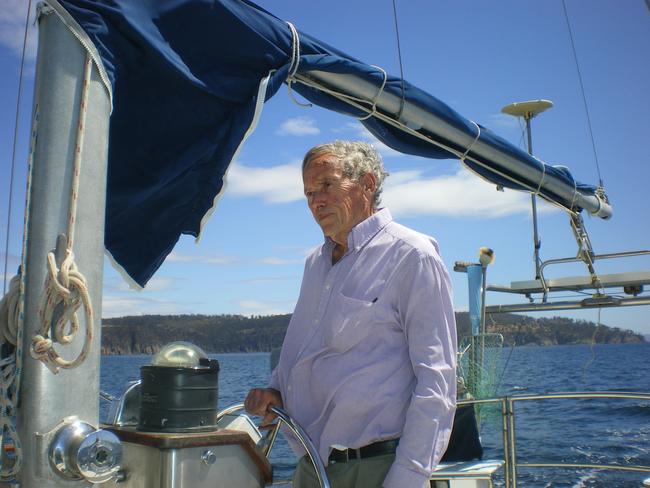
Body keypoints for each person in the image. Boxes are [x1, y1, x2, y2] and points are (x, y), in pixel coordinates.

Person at [245, 141, 457, 488]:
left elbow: (438, 380)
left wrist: (407, 479)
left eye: (327, 185)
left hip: (376, 469)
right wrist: (277, 393)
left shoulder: (412, 255)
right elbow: (302, 351)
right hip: (313, 464)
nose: (316, 201)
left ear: (368, 184)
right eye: (309, 193)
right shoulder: (315, 262)